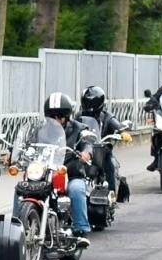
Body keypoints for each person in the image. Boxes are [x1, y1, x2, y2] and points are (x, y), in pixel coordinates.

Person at [22, 93, 93, 240]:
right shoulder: (40, 129)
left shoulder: (78, 128)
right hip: (44, 172)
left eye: (60, 116)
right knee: (21, 189)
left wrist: (86, 152)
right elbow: (27, 144)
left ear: (67, 116)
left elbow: (87, 142)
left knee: (76, 190)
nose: (56, 120)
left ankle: (80, 229)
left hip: (70, 173)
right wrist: (14, 153)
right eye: (52, 116)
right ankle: (17, 226)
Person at [78, 84, 124, 199]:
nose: (90, 105)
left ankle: (112, 195)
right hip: (84, 150)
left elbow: (117, 126)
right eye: (87, 102)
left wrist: (122, 132)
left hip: (102, 151)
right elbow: (72, 127)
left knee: (110, 165)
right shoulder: (79, 116)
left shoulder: (107, 117)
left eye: (93, 102)